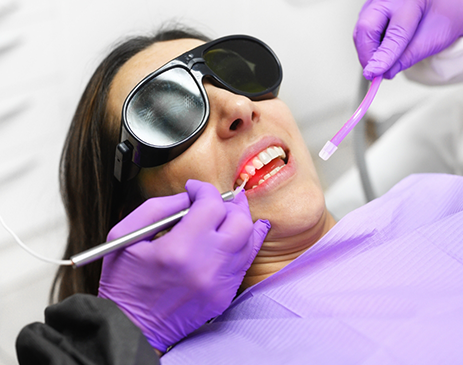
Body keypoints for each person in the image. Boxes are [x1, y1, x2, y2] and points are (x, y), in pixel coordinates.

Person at [16, 5, 463, 363]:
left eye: (240, 76)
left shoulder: (435, 197)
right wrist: (124, 333)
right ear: (138, 226)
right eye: (170, 114)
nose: (239, 106)